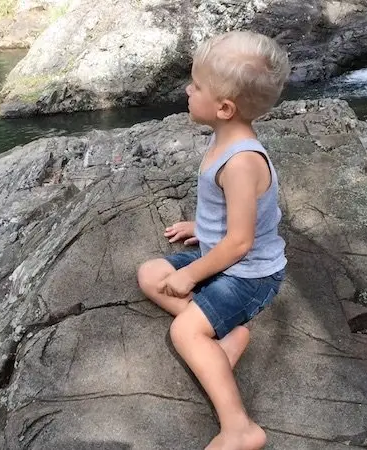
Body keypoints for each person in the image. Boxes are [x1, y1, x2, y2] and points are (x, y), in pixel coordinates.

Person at [136, 30, 290, 450]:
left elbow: (240, 242)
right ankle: (223, 341)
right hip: (219, 254)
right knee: (151, 273)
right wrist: (201, 228)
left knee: (184, 333)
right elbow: (231, 216)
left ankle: (240, 428)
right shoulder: (224, 138)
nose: (188, 89)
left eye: (196, 85)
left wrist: (193, 276)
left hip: (249, 275)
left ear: (224, 107)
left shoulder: (241, 162)